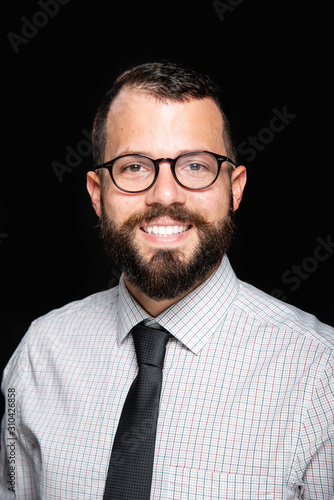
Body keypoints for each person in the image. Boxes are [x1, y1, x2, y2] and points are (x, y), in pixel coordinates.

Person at [0, 61, 333, 499]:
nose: (165, 194)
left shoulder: (320, 377)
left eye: (195, 166)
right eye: (134, 167)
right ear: (98, 194)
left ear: (234, 187)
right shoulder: (39, 357)